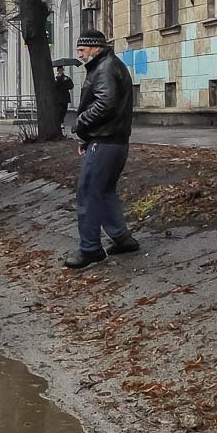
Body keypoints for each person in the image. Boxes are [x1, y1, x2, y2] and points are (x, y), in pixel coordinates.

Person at [65, 28, 140, 269]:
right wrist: (87, 137)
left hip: (106, 142)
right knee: (105, 190)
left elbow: (105, 103)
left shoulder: (104, 67)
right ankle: (122, 239)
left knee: (88, 192)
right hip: (113, 140)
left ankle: (90, 249)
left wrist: (81, 124)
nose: (79, 54)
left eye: (82, 50)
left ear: (95, 48)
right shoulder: (108, 65)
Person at [54, 67, 75, 136]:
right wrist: (59, 79)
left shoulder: (67, 78)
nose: (60, 71)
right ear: (57, 70)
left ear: (63, 70)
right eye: (59, 70)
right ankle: (60, 122)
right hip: (58, 97)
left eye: (61, 70)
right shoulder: (56, 78)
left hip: (65, 97)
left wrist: (66, 81)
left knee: (64, 110)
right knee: (59, 111)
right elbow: (55, 86)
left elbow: (71, 86)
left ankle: (61, 122)